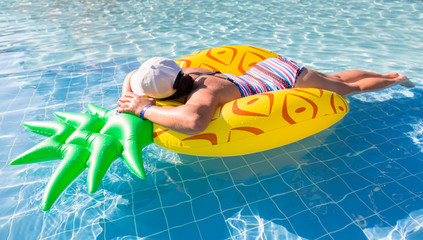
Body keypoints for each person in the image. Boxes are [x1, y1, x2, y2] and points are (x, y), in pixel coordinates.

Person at [117, 56, 414, 135]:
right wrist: (125, 98)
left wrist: (143, 109)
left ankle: (396, 80)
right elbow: (132, 77)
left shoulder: (203, 92)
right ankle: (387, 74)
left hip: (285, 80)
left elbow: (194, 122)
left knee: (350, 90)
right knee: (333, 78)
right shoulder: (191, 73)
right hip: (268, 69)